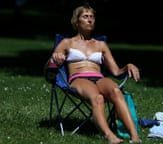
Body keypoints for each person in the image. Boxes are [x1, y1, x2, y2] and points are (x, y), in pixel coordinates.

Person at [51, 3, 141, 144]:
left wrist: (128, 66)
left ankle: (135, 137)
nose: (90, 20)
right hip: (78, 79)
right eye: (86, 16)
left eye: (92, 17)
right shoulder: (66, 43)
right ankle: (109, 136)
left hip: (99, 78)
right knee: (98, 98)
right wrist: (54, 59)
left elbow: (116, 71)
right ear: (76, 21)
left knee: (116, 91)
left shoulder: (100, 45)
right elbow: (48, 67)